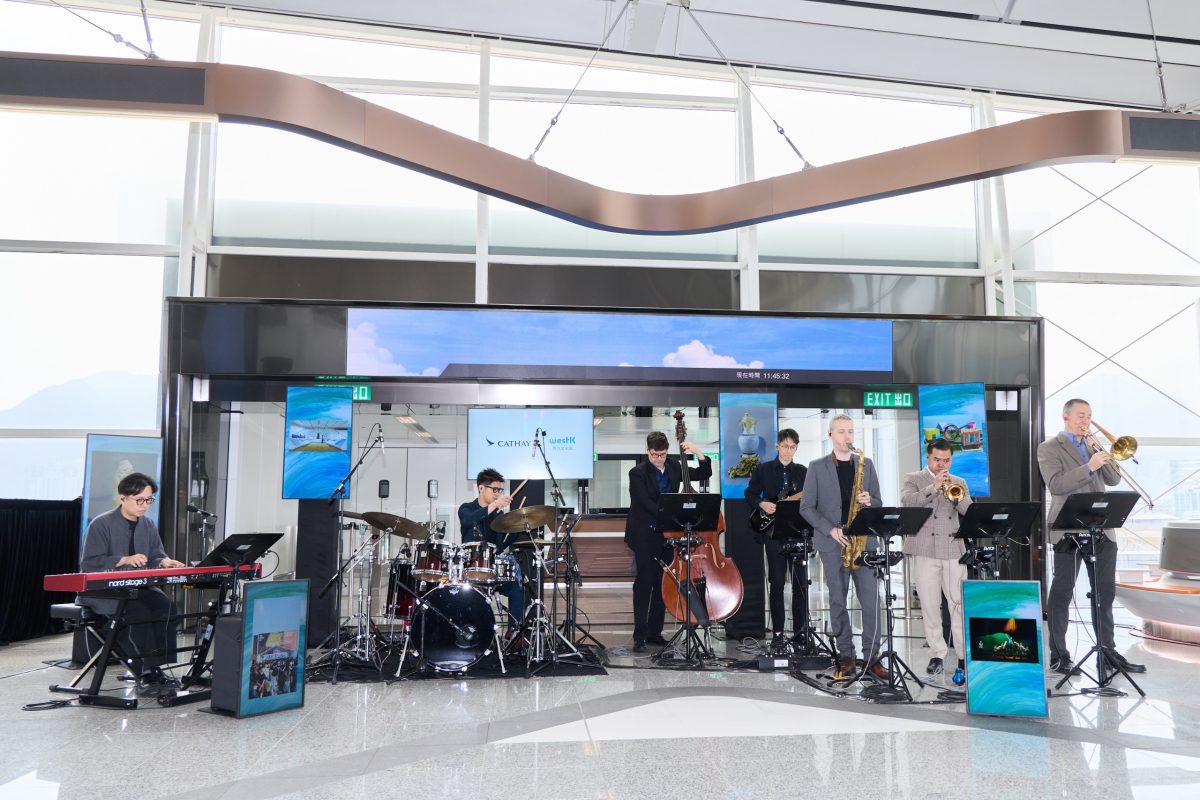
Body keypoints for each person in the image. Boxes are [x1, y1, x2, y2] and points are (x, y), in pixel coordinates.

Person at [1038, 398, 1145, 676]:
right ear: (1066, 417)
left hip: (1101, 528)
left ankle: (1107, 653)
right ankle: (1059, 656)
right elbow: (1056, 484)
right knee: (1062, 592)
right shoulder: (1049, 448)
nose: (1086, 421)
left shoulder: (1093, 445)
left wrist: (1104, 455)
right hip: (1067, 529)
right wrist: (1089, 466)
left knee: (1104, 593)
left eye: (1089, 416)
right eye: (1081, 416)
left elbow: (1113, 480)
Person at [799, 414, 886, 679]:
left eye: (850, 432)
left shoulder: (866, 465)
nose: (847, 437)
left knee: (872, 601)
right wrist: (831, 529)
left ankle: (872, 658)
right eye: (841, 432)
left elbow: (880, 502)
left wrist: (870, 500)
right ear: (831, 435)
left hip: (864, 543)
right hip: (833, 542)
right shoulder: (816, 466)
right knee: (838, 601)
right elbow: (806, 507)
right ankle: (846, 655)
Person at [77, 472, 184, 687]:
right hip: (104, 590)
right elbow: (89, 563)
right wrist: (123, 559)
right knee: (138, 612)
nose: (145, 505)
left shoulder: (148, 525)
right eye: (140, 500)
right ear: (122, 498)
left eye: (149, 500)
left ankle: (156, 667)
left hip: (136, 587)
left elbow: (155, 554)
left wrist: (164, 562)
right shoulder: (101, 524)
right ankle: (144, 670)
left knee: (167, 608)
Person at [625, 431, 712, 652]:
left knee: (662, 584)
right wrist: (672, 514)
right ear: (647, 451)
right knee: (644, 583)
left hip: (668, 536)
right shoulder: (637, 473)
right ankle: (640, 635)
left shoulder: (674, 467)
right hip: (645, 535)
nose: (659, 459)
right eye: (655, 455)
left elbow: (704, 472)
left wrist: (697, 451)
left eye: (662, 454)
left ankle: (655, 633)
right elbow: (644, 502)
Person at [901, 438, 973, 684]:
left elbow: (969, 511)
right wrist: (933, 487)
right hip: (924, 549)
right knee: (931, 607)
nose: (942, 464)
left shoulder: (959, 482)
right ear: (927, 457)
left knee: (958, 605)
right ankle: (937, 655)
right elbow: (908, 503)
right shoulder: (914, 478)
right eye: (937, 459)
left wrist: (955, 495)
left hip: (953, 549)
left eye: (946, 460)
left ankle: (964, 656)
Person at [744, 428, 808, 651]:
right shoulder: (763, 470)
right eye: (784, 446)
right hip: (773, 535)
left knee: (801, 586)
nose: (788, 451)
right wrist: (762, 504)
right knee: (777, 584)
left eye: (792, 447)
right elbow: (749, 494)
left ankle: (801, 632)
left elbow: (811, 500)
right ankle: (778, 633)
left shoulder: (803, 472)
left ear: (796, 448)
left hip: (798, 533)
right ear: (777, 446)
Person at [458, 468, 525, 630]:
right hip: (472, 571)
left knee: (517, 591)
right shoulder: (466, 508)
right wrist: (495, 505)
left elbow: (501, 545)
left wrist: (519, 527)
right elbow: (469, 520)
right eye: (494, 489)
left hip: (493, 571)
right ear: (481, 488)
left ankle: (513, 636)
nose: (497, 493)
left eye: (499, 490)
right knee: (470, 601)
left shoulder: (496, 517)